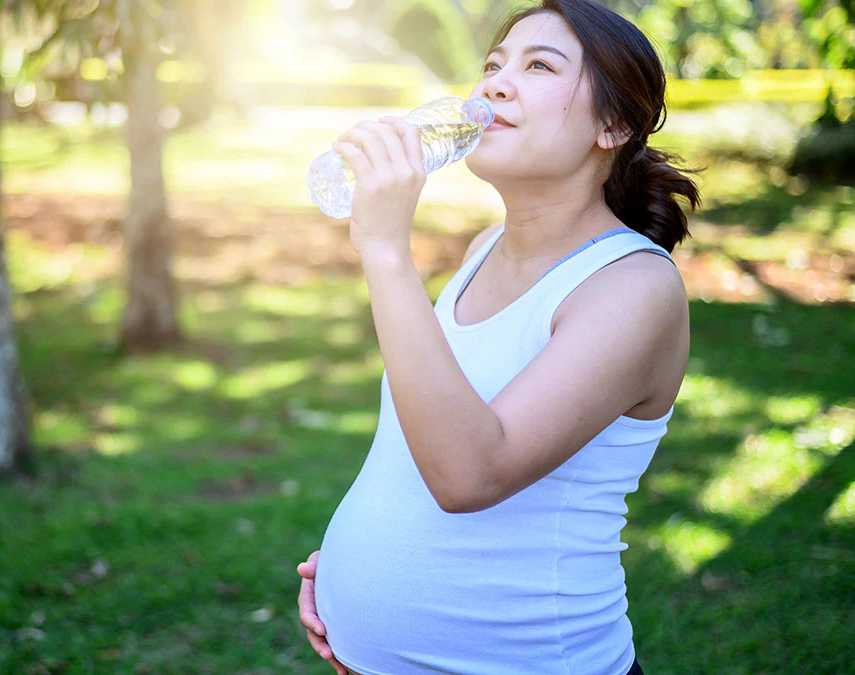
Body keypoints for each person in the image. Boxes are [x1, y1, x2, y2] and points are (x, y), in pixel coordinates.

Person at [294, 1, 700, 673]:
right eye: (492, 64)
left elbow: (469, 474)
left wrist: (388, 252)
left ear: (614, 123)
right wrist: (349, 571)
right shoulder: (485, 249)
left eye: (538, 66)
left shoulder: (633, 288)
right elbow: (414, 445)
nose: (495, 83)